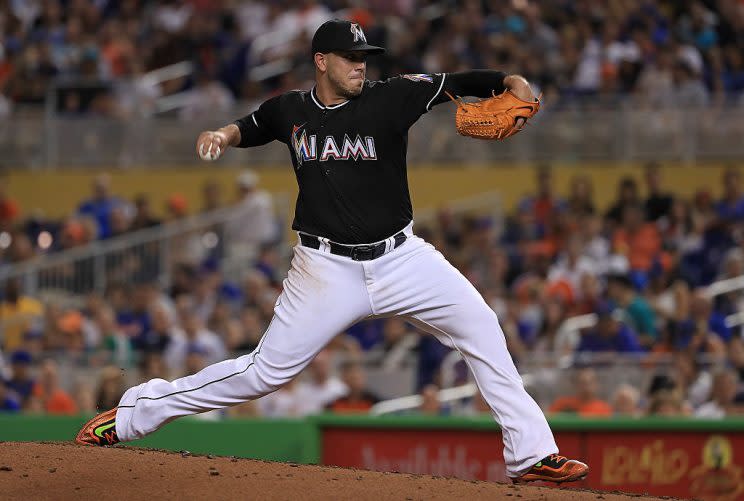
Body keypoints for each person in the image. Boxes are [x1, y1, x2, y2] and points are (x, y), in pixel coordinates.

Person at [76, 19, 588, 484]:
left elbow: (464, 81)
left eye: (364, 56)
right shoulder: (291, 110)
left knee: (481, 326)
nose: (361, 65)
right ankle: (131, 415)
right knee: (262, 374)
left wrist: (514, 84)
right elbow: (252, 126)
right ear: (322, 61)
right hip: (325, 267)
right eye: (350, 57)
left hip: (402, 258)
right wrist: (221, 134)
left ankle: (531, 455)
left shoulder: (393, 97)